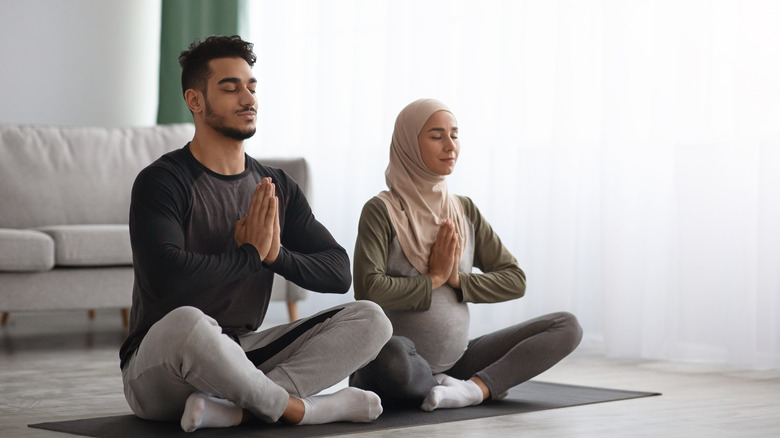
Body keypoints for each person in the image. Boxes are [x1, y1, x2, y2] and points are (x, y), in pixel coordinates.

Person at [118, 35, 392, 432]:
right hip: (162, 365)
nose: (248, 98)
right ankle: (303, 410)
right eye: (230, 88)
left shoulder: (275, 185)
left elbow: (338, 273)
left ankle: (240, 409)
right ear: (195, 101)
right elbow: (166, 276)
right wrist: (249, 255)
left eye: (252, 86)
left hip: (242, 356)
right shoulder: (162, 181)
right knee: (191, 323)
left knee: (372, 318)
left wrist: (275, 256)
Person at [350, 98, 583, 411]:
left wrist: (457, 279)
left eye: (454, 135)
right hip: (398, 362)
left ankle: (473, 389)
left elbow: (515, 280)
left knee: (566, 326)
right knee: (392, 357)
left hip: (459, 362)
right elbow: (368, 289)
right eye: (436, 136)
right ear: (408, 144)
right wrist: (432, 279)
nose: (450, 146)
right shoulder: (381, 211)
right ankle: (444, 388)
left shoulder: (464, 210)